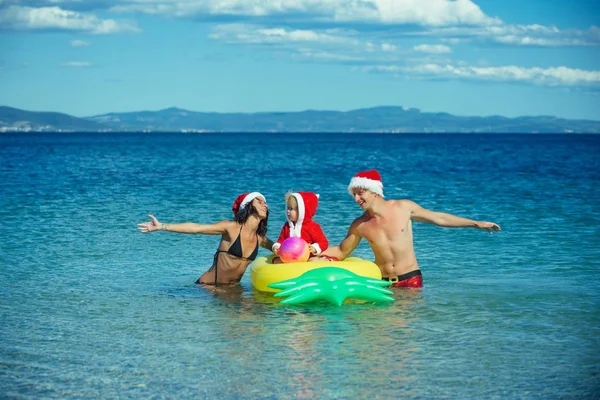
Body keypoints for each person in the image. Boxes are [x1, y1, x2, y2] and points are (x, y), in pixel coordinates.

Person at [322, 170, 500, 288]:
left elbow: (439, 218)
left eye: (360, 193)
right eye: (354, 194)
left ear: (374, 191)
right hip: (383, 283)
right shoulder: (360, 224)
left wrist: (475, 223)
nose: (356, 199)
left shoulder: (403, 208)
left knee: (406, 334)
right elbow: (341, 250)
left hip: (410, 280)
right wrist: (310, 250)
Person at [137, 192, 275, 285]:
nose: (265, 205)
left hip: (232, 290)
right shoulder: (231, 227)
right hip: (207, 287)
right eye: (260, 201)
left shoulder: (259, 239)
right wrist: (161, 226)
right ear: (248, 205)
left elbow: (281, 249)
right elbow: (196, 228)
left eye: (265, 203)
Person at [272, 191, 331, 263]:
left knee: (313, 261)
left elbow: (323, 242)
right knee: (276, 261)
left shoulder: (312, 227)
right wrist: (277, 246)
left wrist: (314, 248)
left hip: (308, 257)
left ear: (302, 211)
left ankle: (325, 260)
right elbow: (281, 240)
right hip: (289, 257)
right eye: (288, 208)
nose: (288, 211)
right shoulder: (287, 226)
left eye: (291, 209)